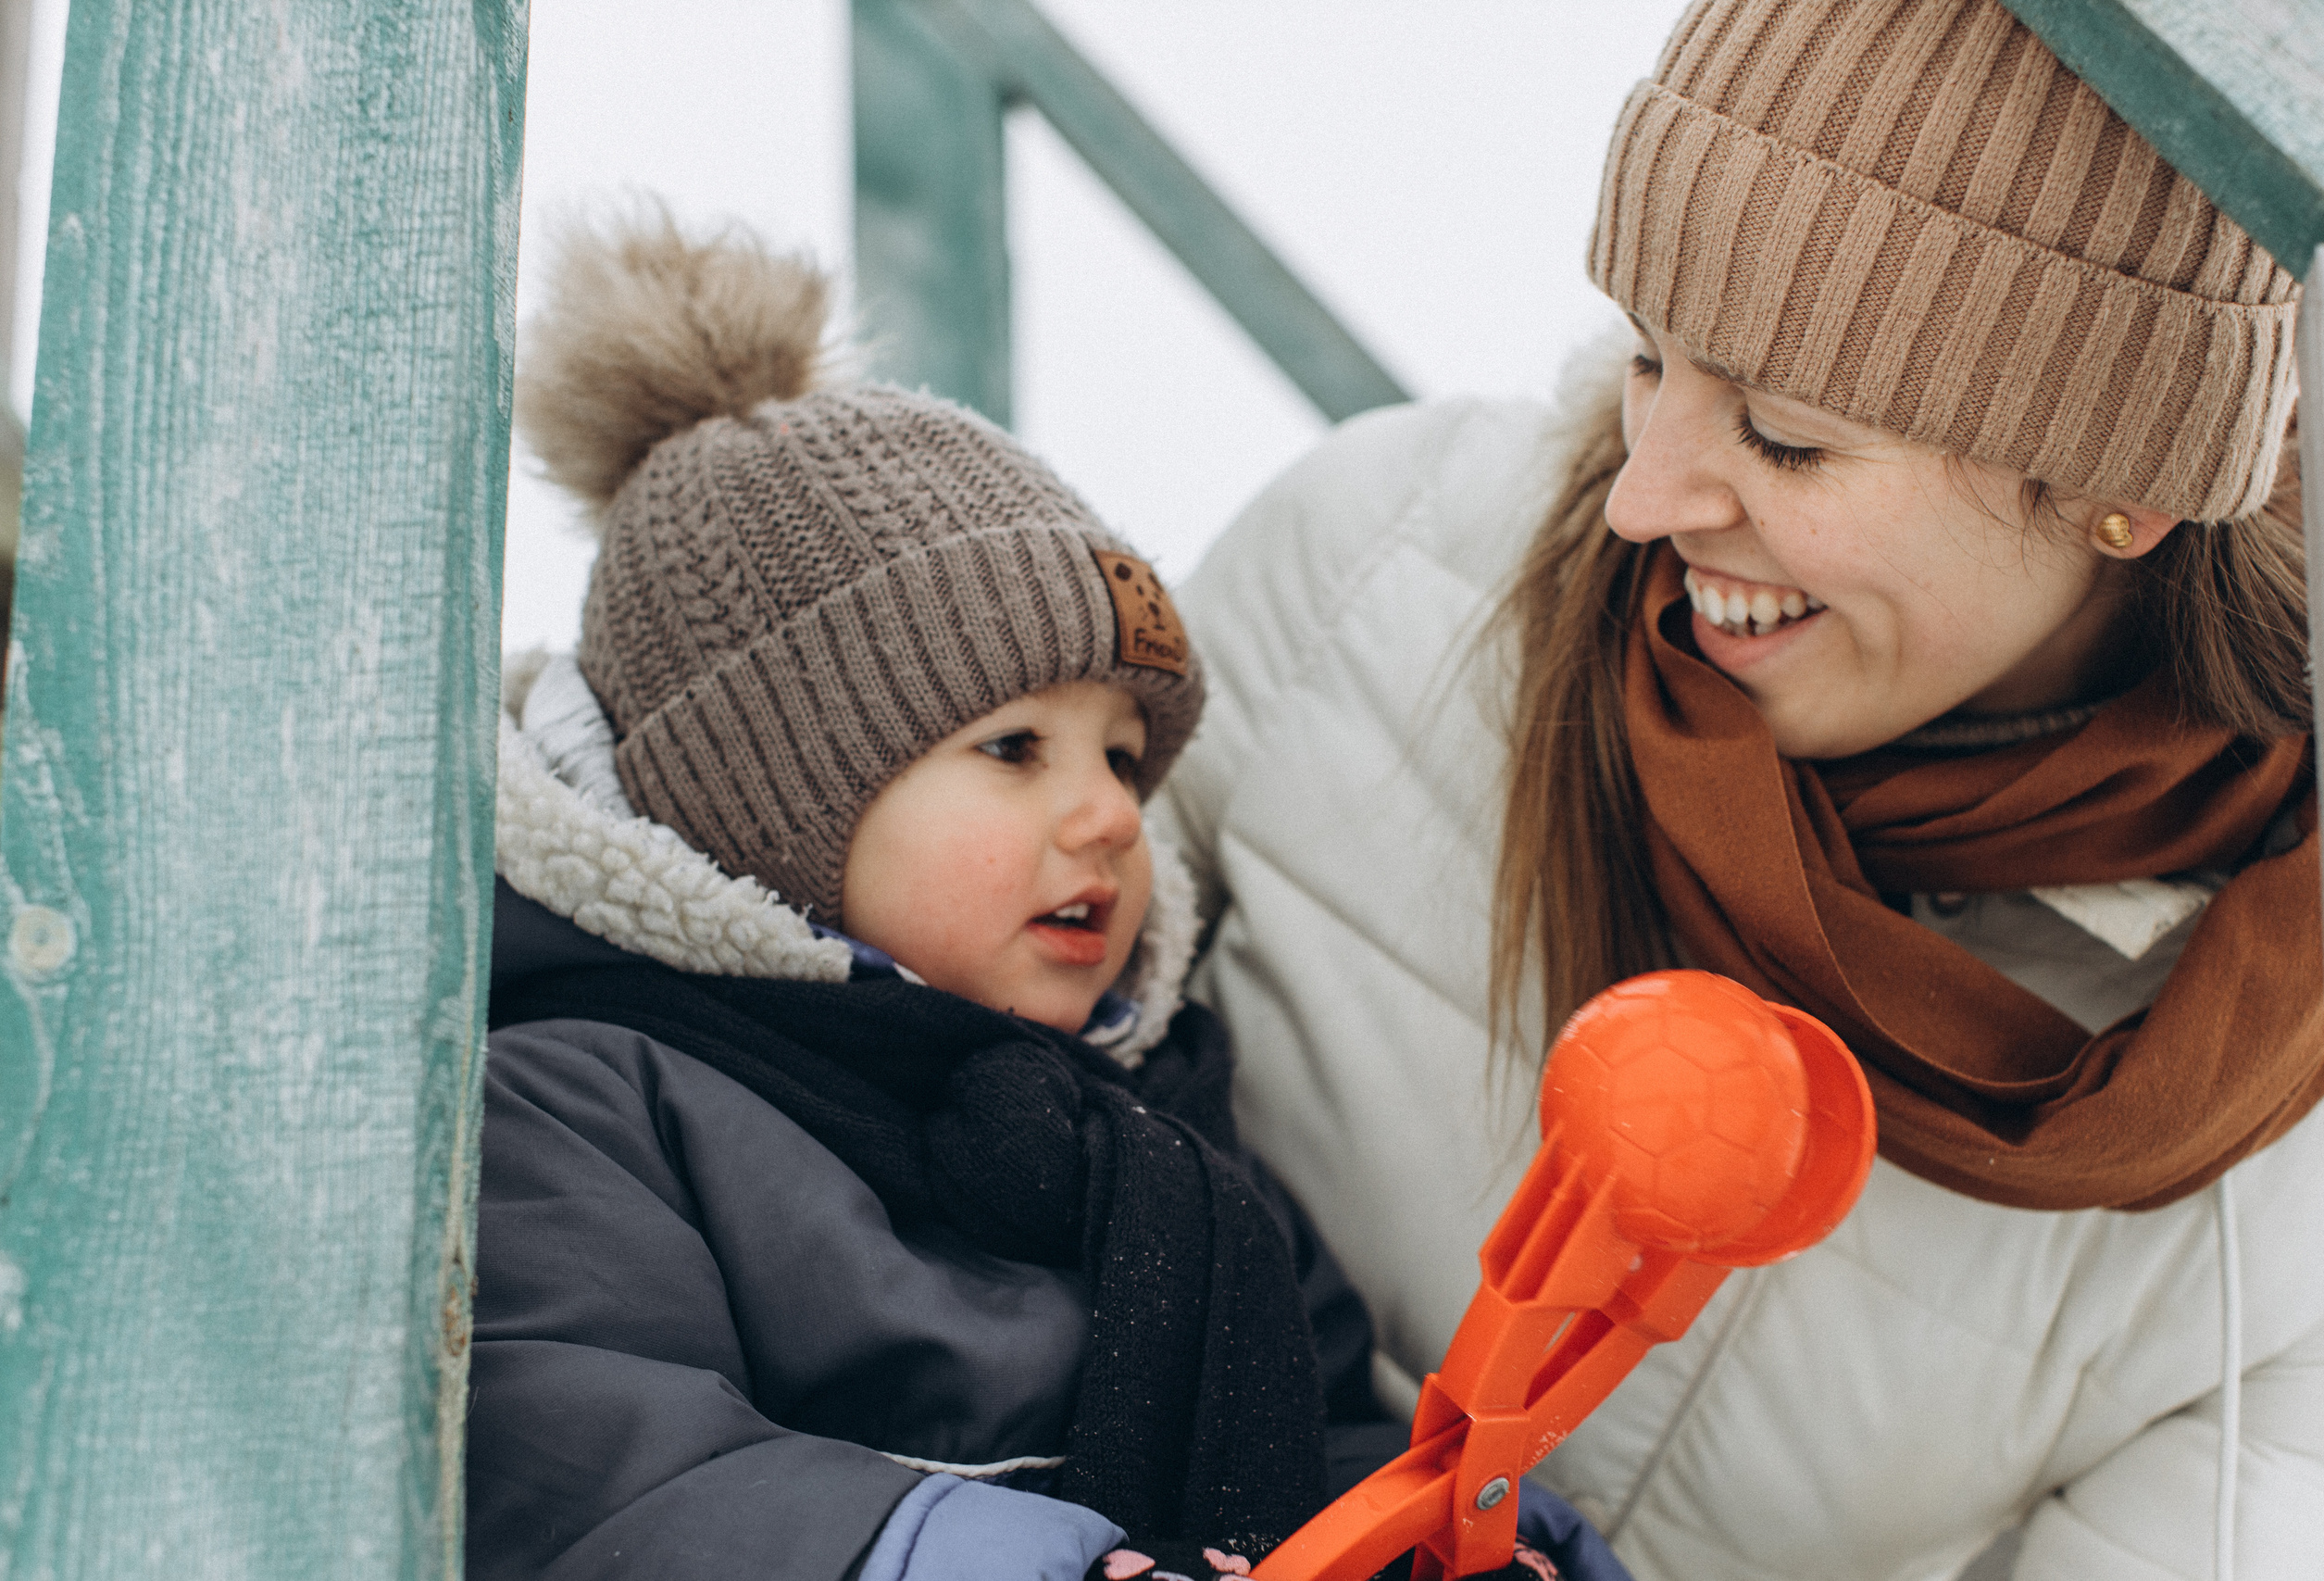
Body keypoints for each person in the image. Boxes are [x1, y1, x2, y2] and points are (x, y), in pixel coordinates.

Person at [1156, 2, 2324, 1578]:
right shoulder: (1380, 557)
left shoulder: (2312, 1136)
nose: (1646, 494)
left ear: (2121, 493)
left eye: (1785, 441)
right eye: (1651, 353)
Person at [466, 214, 1625, 1581]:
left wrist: (1451, 1531)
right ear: (768, 802)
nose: (1110, 816)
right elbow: (584, 1474)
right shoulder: (586, 1109)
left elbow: (1314, 1439)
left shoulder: (1165, 1139)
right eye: (1012, 749)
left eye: (1126, 759)